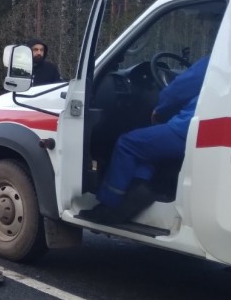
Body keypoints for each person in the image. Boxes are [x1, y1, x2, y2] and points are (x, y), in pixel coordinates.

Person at [82, 56, 210, 223]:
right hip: (207, 131)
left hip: (187, 129)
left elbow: (178, 90)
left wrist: (160, 110)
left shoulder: (216, 60)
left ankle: (110, 205)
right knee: (148, 146)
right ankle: (140, 187)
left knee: (128, 143)